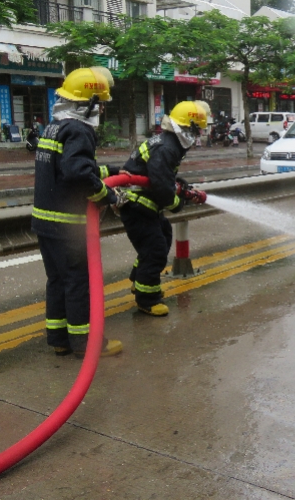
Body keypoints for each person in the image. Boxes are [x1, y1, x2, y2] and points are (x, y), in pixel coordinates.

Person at [32, 67, 124, 359]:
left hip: (45, 223)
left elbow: (68, 167)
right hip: (68, 226)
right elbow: (76, 172)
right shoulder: (80, 129)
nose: (103, 109)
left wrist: (110, 172)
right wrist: (107, 195)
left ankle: (59, 339)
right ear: (89, 103)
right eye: (102, 103)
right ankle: (85, 343)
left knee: (57, 281)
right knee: (78, 283)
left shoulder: (54, 127)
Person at [118, 101, 208, 317]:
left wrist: (181, 185)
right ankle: (147, 299)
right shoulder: (168, 147)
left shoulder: (169, 143)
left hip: (145, 205)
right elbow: (161, 187)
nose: (199, 135)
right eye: (198, 130)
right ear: (189, 127)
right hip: (137, 205)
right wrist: (178, 203)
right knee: (155, 249)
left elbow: (162, 175)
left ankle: (139, 280)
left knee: (164, 234)